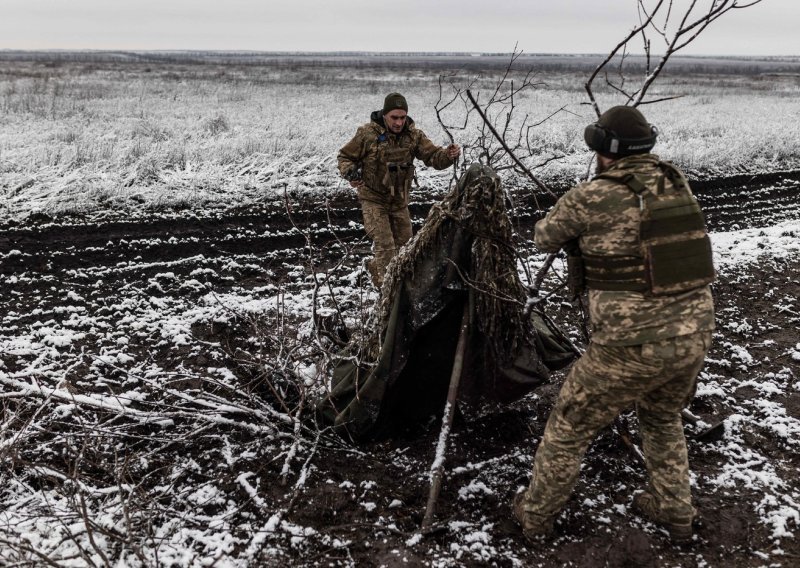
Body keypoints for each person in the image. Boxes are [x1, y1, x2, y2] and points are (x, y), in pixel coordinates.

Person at [513, 106, 716, 543]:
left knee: (569, 427)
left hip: (631, 343)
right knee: (662, 419)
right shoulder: (674, 180)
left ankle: (535, 519)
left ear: (603, 149)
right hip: (694, 334)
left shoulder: (591, 195)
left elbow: (543, 234)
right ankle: (674, 511)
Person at [337, 92, 461, 288]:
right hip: (373, 199)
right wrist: (351, 173)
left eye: (402, 117)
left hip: (399, 201)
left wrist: (448, 154)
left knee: (405, 249)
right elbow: (345, 157)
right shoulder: (367, 134)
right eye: (394, 117)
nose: (398, 122)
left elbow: (434, 157)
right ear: (385, 114)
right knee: (386, 247)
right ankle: (387, 295)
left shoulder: (414, 136)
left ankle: (378, 272)